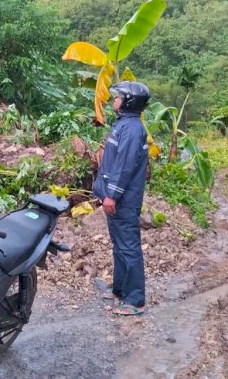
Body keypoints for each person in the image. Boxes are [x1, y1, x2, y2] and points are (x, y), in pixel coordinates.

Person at [92, 81, 150, 316]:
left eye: (118, 97)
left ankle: (135, 300)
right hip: (116, 198)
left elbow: (124, 167)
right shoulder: (124, 125)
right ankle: (119, 290)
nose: (114, 100)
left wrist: (112, 195)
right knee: (119, 246)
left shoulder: (132, 129)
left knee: (129, 247)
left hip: (123, 200)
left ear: (129, 102)